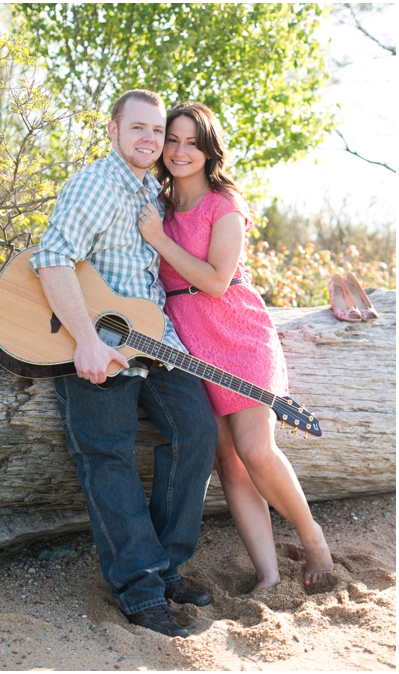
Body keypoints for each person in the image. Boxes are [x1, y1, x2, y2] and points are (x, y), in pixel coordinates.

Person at [29, 90, 218, 638]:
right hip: (94, 347)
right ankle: (141, 589)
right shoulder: (97, 182)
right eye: (138, 129)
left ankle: (165, 566)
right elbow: (51, 256)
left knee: (197, 432)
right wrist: (87, 340)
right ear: (112, 130)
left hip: (154, 342)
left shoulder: (151, 194)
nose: (150, 141)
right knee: (107, 456)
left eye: (156, 132)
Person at [137, 102, 333, 590]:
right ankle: (267, 574)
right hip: (187, 342)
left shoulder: (224, 204)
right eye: (173, 140)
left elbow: (218, 281)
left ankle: (313, 542)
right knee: (227, 459)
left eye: (192, 143)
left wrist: (159, 241)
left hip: (237, 333)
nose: (181, 151)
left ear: (208, 150)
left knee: (255, 449)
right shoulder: (156, 202)